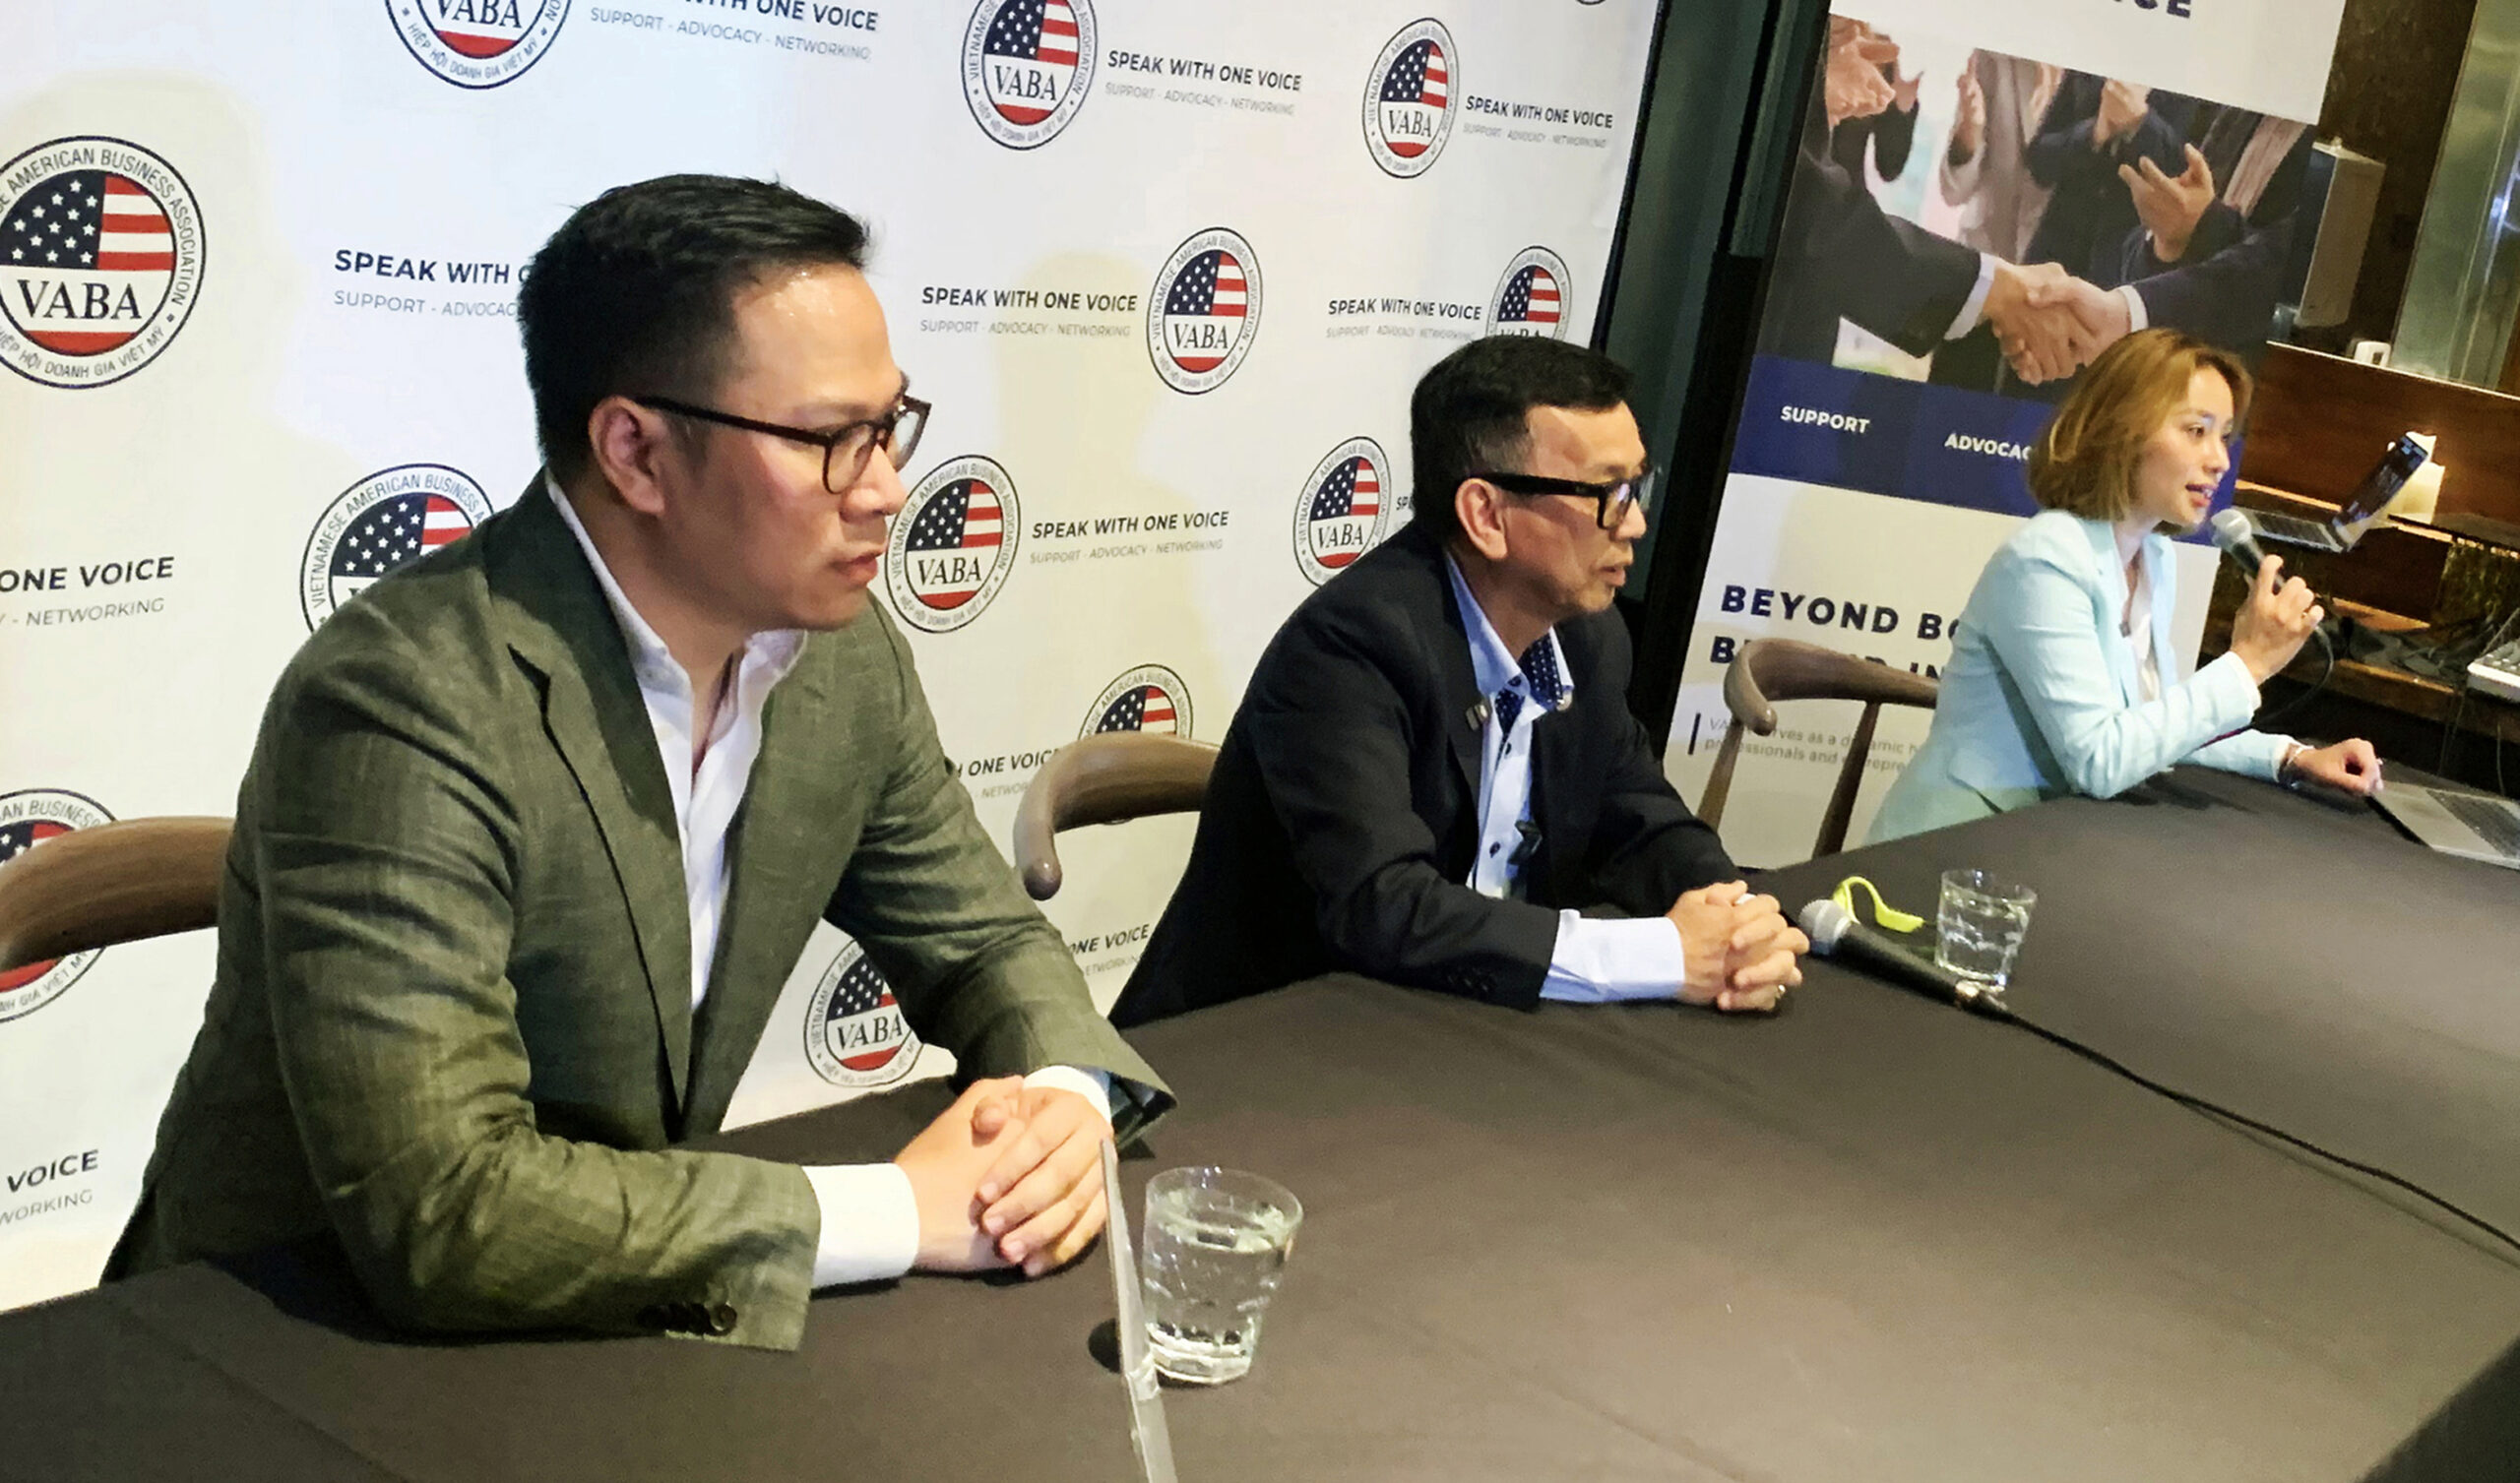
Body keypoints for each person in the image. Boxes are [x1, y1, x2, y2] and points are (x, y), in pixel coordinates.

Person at [106, 175, 1169, 1350]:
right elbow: (443, 1207)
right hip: (280, 1338)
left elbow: (983, 942)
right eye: (830, 440)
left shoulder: (839, 657)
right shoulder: (403, 699)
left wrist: (1062, 1102)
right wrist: (896, 1210)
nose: (885, 490)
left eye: (888, 426)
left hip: (611, 1310)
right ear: (634, 451)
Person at [1109, 337, 1806, 1029]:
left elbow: (1640, 819)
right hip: (1263, 1037)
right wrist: (1662, 953)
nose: (1637, 523)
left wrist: (1734, 921)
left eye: (1638, 487)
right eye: (1608, 494)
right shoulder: (1348, 649)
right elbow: (1385, 905)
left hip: (1462, 1020)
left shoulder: (1588, 638)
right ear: (1485, 515)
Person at [1867, 330, 2383, 842]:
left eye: (2224, 436)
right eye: (2196, 431)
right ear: (2123, 432)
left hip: (2050, 837)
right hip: (1952, 842)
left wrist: (2289, 757)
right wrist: (2248, 664)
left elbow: (2151, 728)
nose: (2220, 461)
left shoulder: (2154, 556)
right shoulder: (2045, 559)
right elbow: (2100, 760)